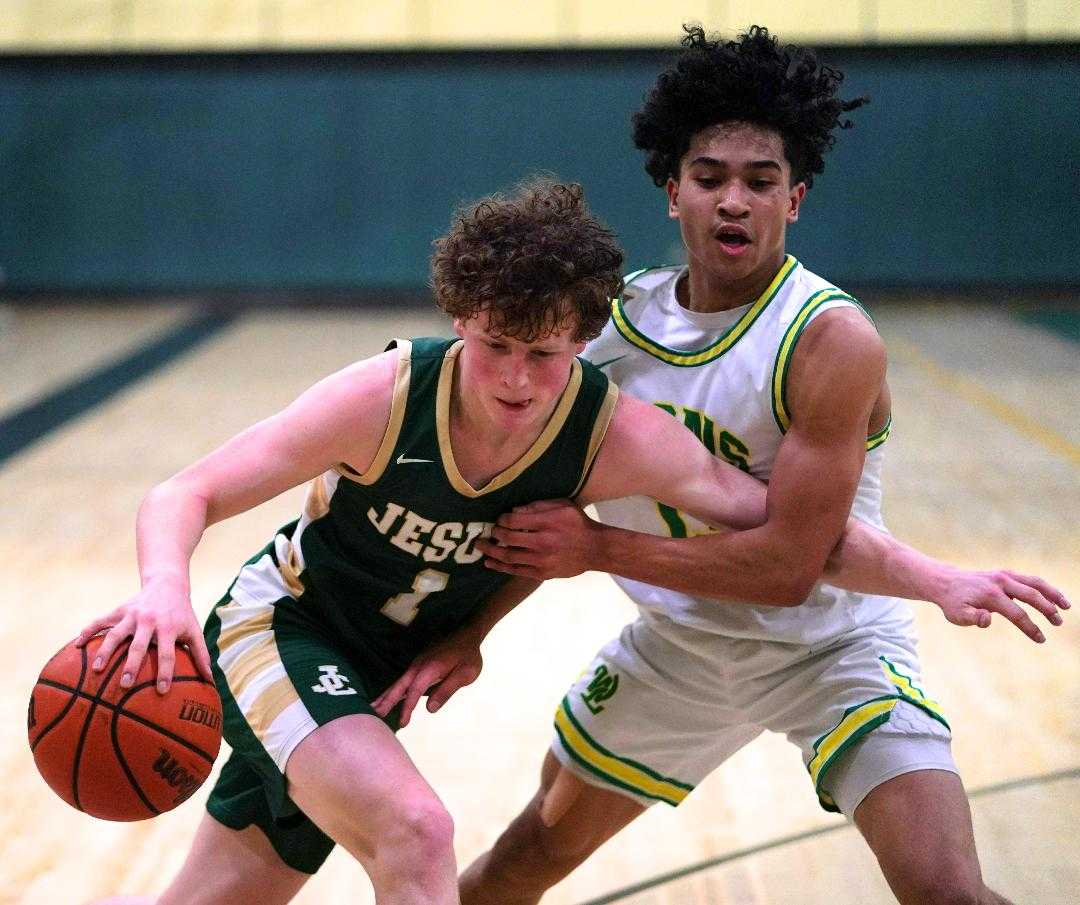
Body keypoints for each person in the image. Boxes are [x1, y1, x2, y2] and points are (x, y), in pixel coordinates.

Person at [78, 180, 1006, 905]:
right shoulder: (385, 396)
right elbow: (186, 490)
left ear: (583, 340)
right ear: (458, 319)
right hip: (282, 630)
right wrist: (164, 588)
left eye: (546, 353)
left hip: (378, 677)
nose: (518, 379)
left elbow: (788, 527)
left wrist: (936, 577)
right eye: (495, 346)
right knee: (417, 832)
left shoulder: (612, 432)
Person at [376, 29, 1068, 905]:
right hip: (682, 651)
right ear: (673, 194)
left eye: (761, 181)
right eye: (710, 178)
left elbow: (786, 568)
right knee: (510, 871)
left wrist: (600, 552)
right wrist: (473, 627)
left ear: (797, 198)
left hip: (833, 647)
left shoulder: (827, 338)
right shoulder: (613, 329)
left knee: (946, 892)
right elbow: (551, 505)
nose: (733, 201)